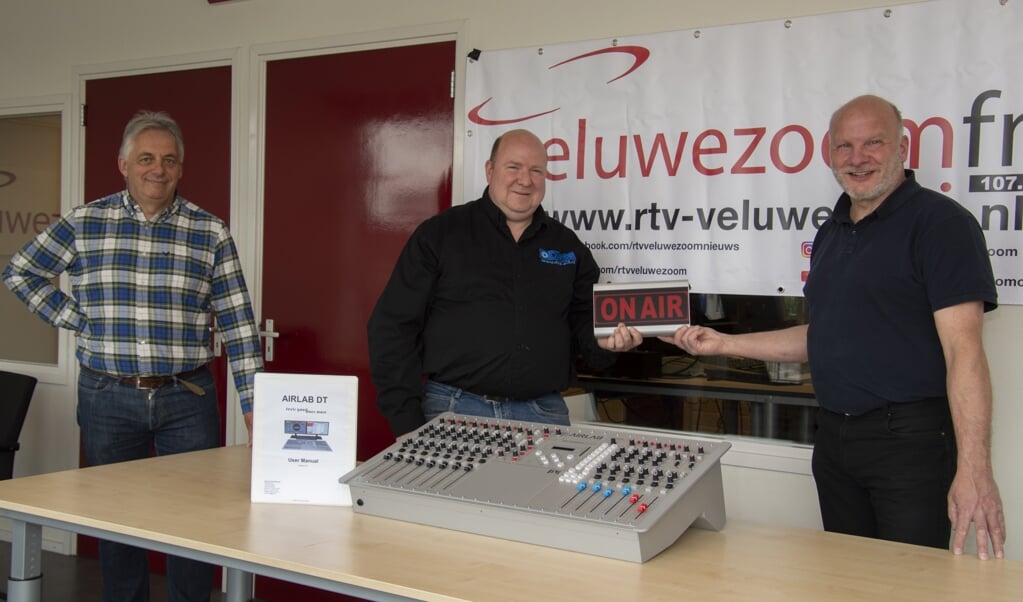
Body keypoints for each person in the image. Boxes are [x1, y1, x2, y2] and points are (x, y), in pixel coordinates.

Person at [661, 95, 1005, 560]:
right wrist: (721, 341)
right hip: (835, 440)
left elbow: (965, 352)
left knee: (909, 584)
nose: (857, 158)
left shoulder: (941, 225)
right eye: (844, 146)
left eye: (873, 143)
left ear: (903, 147)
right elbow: (819, 335)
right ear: (828, 154)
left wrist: (975, 468)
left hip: (909, 444)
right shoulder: (833, 229)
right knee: (848, 579)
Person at [2, 111, 264, 601]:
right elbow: (20, 272)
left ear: (181, 169)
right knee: (114, 518)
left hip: (186, 397)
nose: (157, 169)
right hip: (106, 395)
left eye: (169, 160)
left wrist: (256, 409)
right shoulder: (84, 223)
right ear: (123, 164)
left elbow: (238, 325)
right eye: (146, 158)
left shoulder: (210, 232)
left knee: (194, 521)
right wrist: (74, 318)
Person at [368, 128, 642, 436]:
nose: (525, 180)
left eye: (536, 170)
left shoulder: (568, 246)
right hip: (453, 409)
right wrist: (406, 421)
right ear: (490, 170)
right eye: (513, 167)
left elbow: (585, 326)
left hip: (543, 413)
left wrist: (605, 342)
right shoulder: (441, 235)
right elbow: (392, 327)